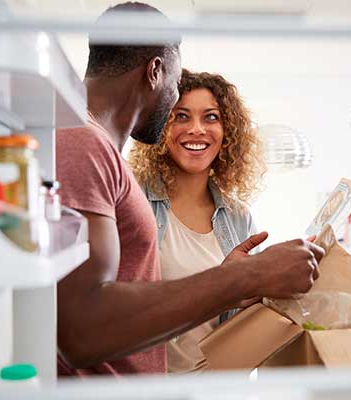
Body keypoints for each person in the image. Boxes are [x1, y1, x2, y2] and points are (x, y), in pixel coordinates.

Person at [56, 2, 324, 377]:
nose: (176, 109)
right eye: (176, 86)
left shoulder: (88, 144)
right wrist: (246, 276)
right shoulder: (83, 143)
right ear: (155, 71)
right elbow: (79, 331)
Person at [128, 69, 265, 373]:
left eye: (211, 117)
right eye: (181, 116)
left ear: (227, 130)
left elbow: (250, 320)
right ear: (162, 124)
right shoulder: (133, 201)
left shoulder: (238, 217)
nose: (197, 129)